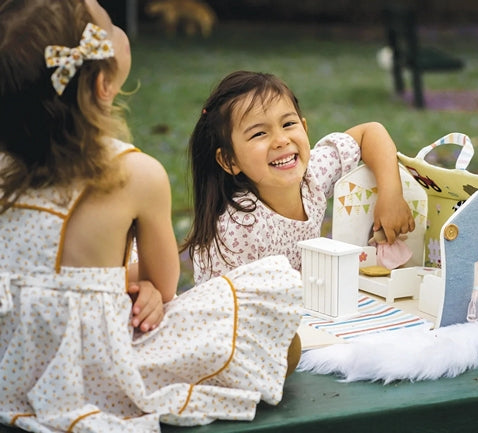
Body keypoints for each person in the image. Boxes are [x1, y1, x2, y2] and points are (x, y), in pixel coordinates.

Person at [0, 2, 302, 432]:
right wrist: (141, 284)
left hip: (12, 367)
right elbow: (164, 287)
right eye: (107, 23)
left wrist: (116, 278)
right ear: (104, 83)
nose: (117, 23)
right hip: (97, 368)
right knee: (282, 339)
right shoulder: (135, 173)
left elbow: (40, 268)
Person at [183, 70, 416, 283]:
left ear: (304, 128)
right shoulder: (240, 228)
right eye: (259, 133)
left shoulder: (314, 174)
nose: (281, 140)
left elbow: (370, 133)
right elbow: (232, 311)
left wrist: (391, 195)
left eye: (288, 123)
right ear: (229, 160)